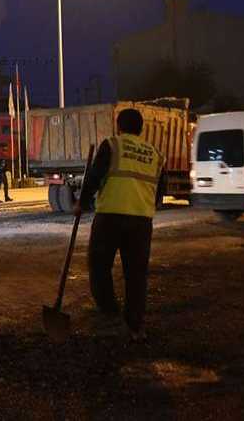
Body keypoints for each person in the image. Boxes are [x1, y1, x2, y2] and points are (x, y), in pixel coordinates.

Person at [74, 108, 164, 343]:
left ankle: (109, 313)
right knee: (136, 274)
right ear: (141, 128)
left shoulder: (112, 145)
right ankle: (135, 325)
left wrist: (82, 202)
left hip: (110, 217)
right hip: (141, 222)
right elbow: (159, 193)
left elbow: (94, 176)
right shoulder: (154, 153)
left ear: (119, 126)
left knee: (99, 265)